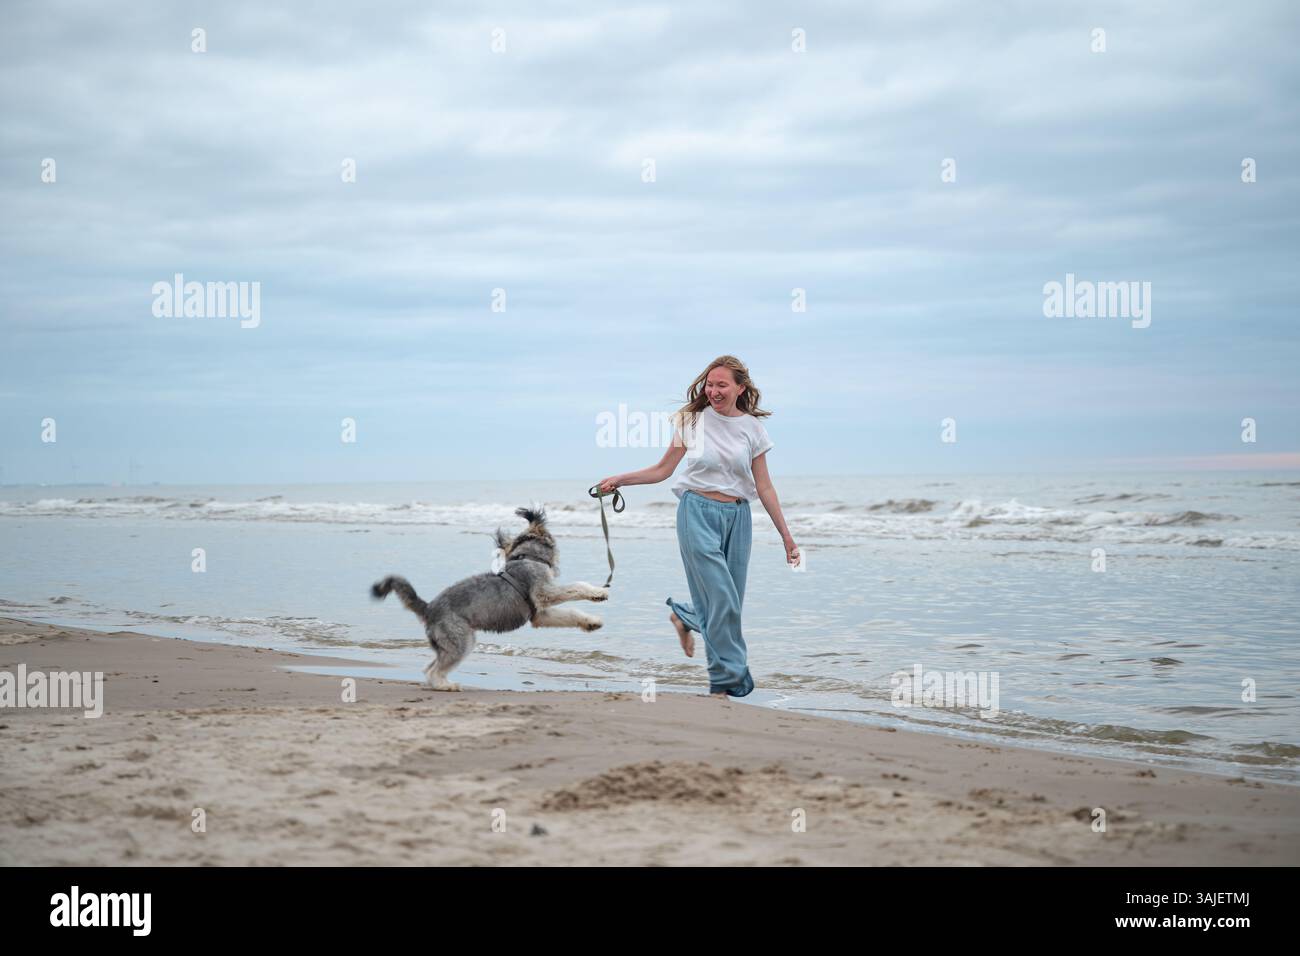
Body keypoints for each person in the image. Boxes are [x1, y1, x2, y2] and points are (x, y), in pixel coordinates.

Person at [597, 355, 799, 699]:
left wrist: (787, 537)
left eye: (722, 384)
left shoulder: (753, 428)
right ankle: (726, 680)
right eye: (710, 384)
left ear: (740, 388)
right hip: (697, 513)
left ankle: (687, 616)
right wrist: (620, 479)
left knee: (730, 600)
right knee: (723, 598)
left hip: (738, 518)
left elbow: (764, 486)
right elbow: (663, 470)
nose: (714, 390)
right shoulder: (693, 421)